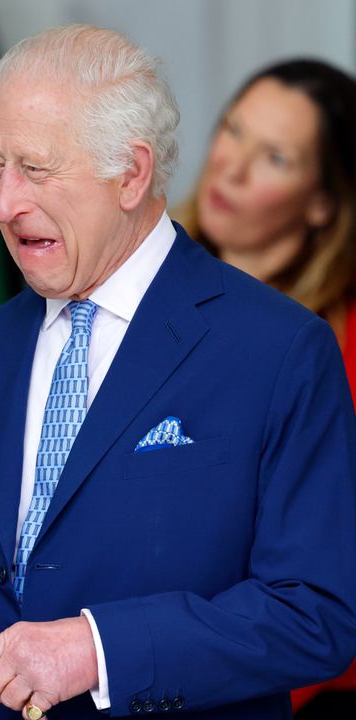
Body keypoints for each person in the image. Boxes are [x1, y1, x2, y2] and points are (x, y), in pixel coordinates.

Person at [0, 25, 356, 720]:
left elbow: (315, 613)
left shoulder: (280, 351)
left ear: (131, 174)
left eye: (37, 169)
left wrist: (99, 650)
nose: (6, 203)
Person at [172, 58, 356, 714]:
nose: (232, 167)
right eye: (233, 130)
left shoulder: (338, 348)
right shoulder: (128, 286)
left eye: (275, 157)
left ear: (323, 199)